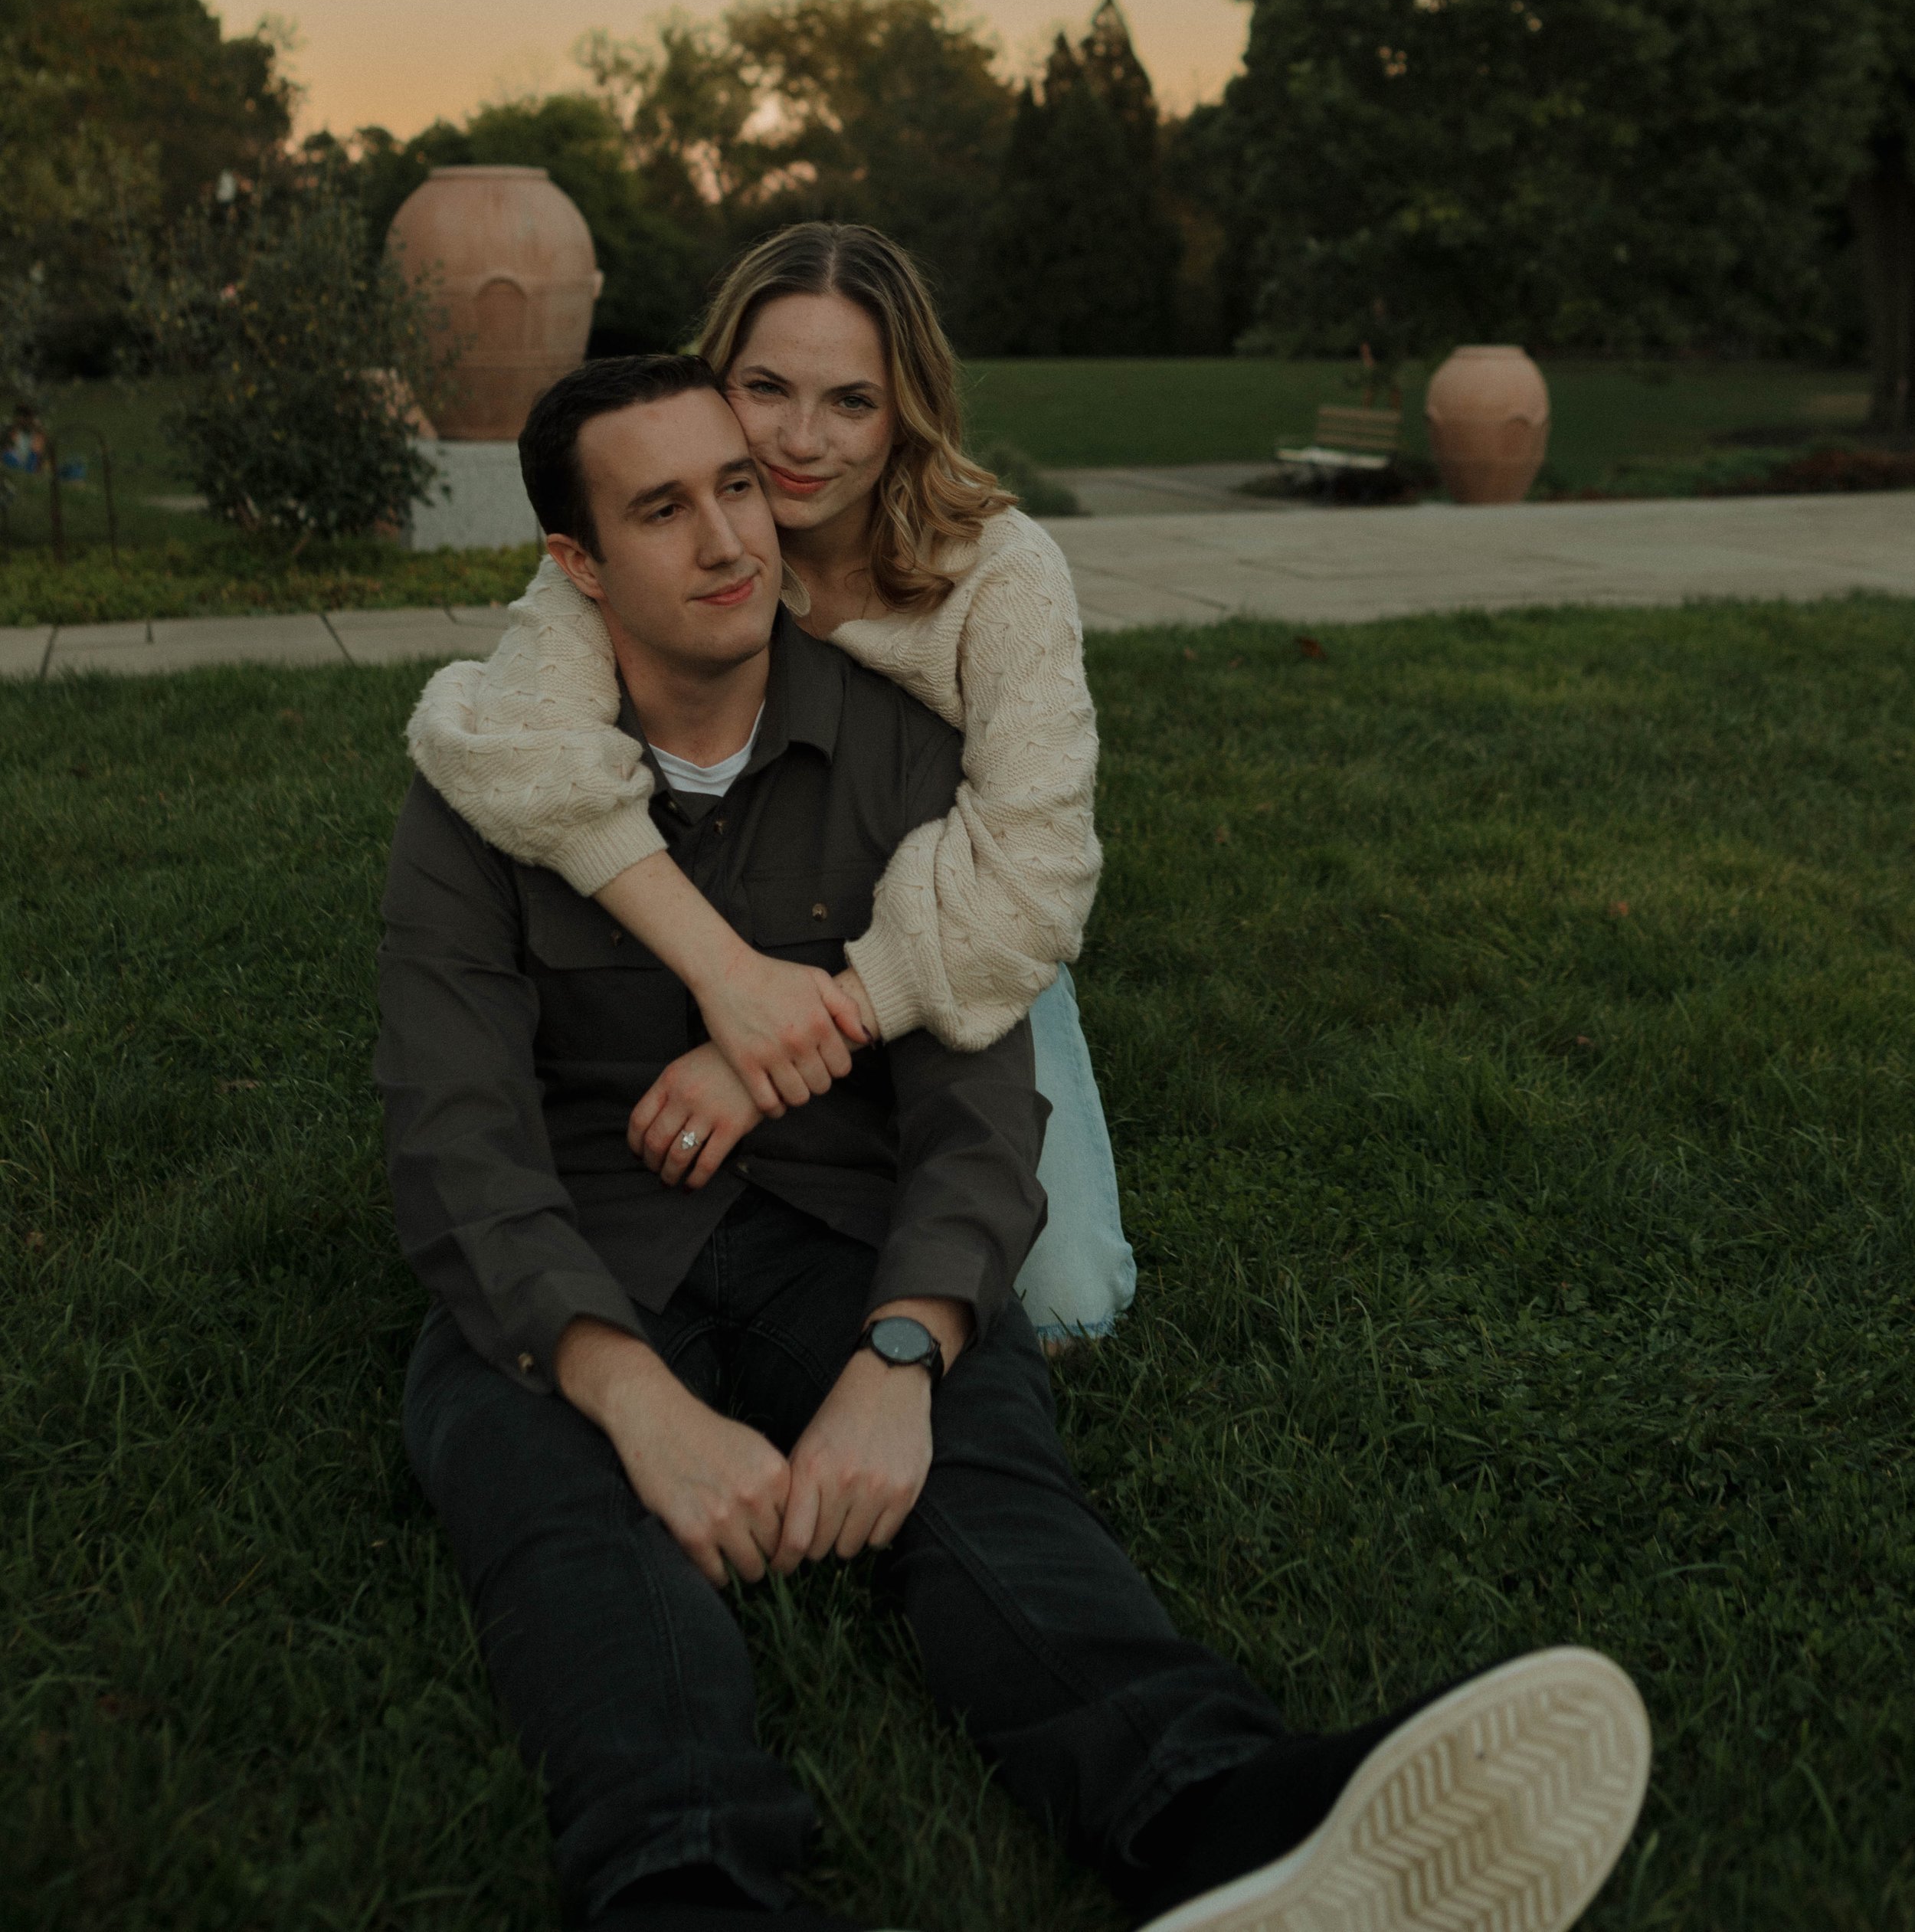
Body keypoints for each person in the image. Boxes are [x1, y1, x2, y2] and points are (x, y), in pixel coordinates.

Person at [378, 352, 1651, 1932]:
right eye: (660, 509)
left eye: (734, 485)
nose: (727, 539)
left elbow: (976, 1107)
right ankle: (683, 1881)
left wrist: (904, 1357)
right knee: (557, 1507)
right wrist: (627, 1395)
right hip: (579, 1250)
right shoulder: (485, 785)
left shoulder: (898, 747)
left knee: (991, 1484)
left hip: (836, 1230)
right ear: (575, 565)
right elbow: (453, 1135)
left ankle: (1212, 1818)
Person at [406, 221, 1133, 1347]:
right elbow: (503, 743)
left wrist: (773, 1050)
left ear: (907, 409)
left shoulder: (1003, 573)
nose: (802, 440)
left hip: (971, 921)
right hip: (760, 901)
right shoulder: (665, 534)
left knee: (1065, 1307)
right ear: (715, 378)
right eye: (766, 388)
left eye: (852, 400)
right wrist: (726, 973)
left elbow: (1036, 877)